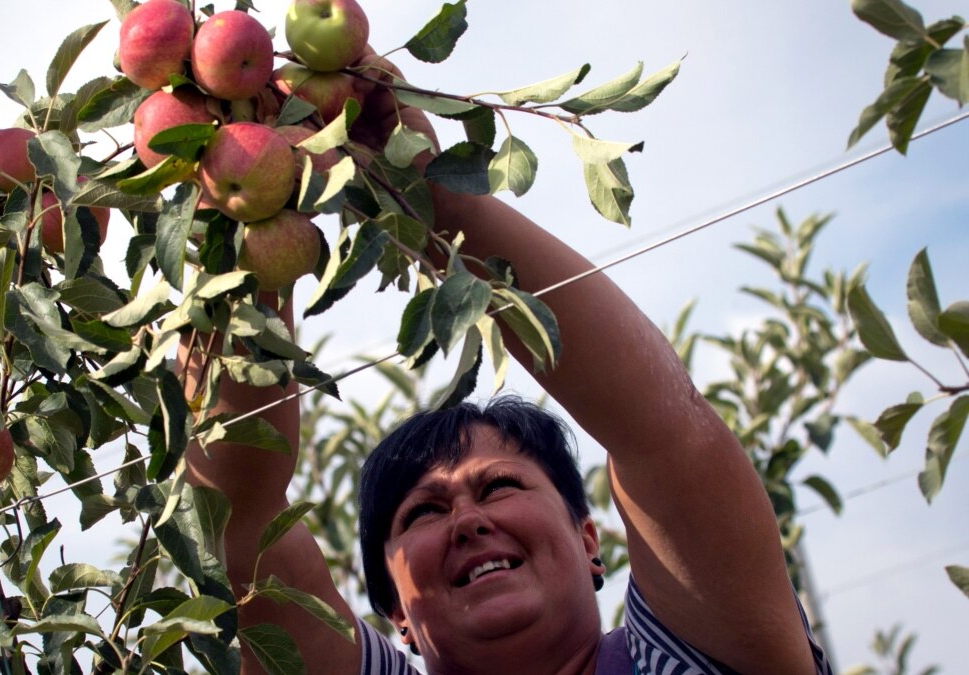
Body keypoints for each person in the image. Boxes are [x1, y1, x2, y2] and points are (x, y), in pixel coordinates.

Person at [184, 55, 834, 675]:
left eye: (501, 486)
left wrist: (436, 195)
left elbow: (663, 430)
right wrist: (246, 226)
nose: (469, 520)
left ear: (588, 541)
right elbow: (235, 522)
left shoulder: (691, 655)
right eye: (423, 513)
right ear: (394, 614)